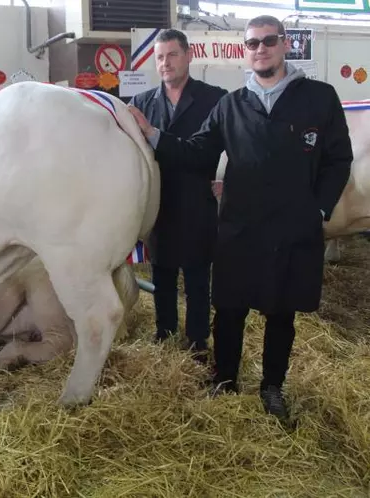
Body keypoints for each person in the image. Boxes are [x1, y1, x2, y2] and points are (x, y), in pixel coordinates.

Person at [128, 15, 353, 422]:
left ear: (285, 45)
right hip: (239, 227)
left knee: (280, 313)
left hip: (291, 229)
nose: (260, 49)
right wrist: (153, 134)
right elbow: (197, 153)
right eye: (252, 43)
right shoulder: (231, 105)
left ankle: (272, 387)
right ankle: (225, 379)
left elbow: (339, 159)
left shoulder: (319, 97)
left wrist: (319, 208)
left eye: (269, 41)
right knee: (229, 310)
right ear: (245, 51)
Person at [129, 29, 227, 359]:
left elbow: (216, 151)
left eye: (172, 55)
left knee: (199, 279)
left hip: (198, 203)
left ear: (188, 56)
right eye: (159, 57)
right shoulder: (141, 104)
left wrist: (228, 180)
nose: (165, 63)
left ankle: (198, 342)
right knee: (163, 276)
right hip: (159, 205)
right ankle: (165, 335)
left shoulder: (215, 99)